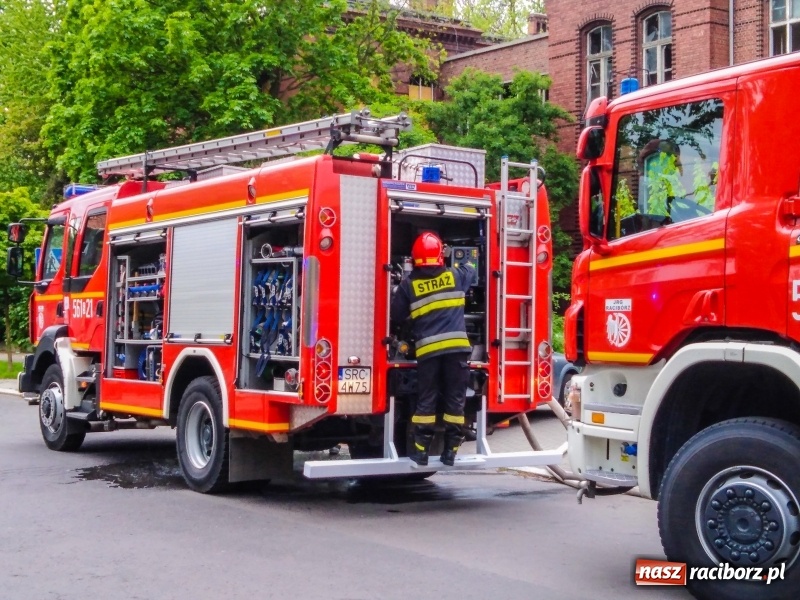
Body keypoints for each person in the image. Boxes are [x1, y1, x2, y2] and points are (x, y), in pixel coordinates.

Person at [390, 231, 476, 467]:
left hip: (428, 352)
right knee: (455, 401)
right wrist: (461, 256)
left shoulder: (409, 285)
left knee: (426, 401)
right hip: (457, 351)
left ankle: (421, 453)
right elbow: (471, 268)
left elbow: (396, 316)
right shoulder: (456, 276)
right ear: (441, 255)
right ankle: (450, 453)